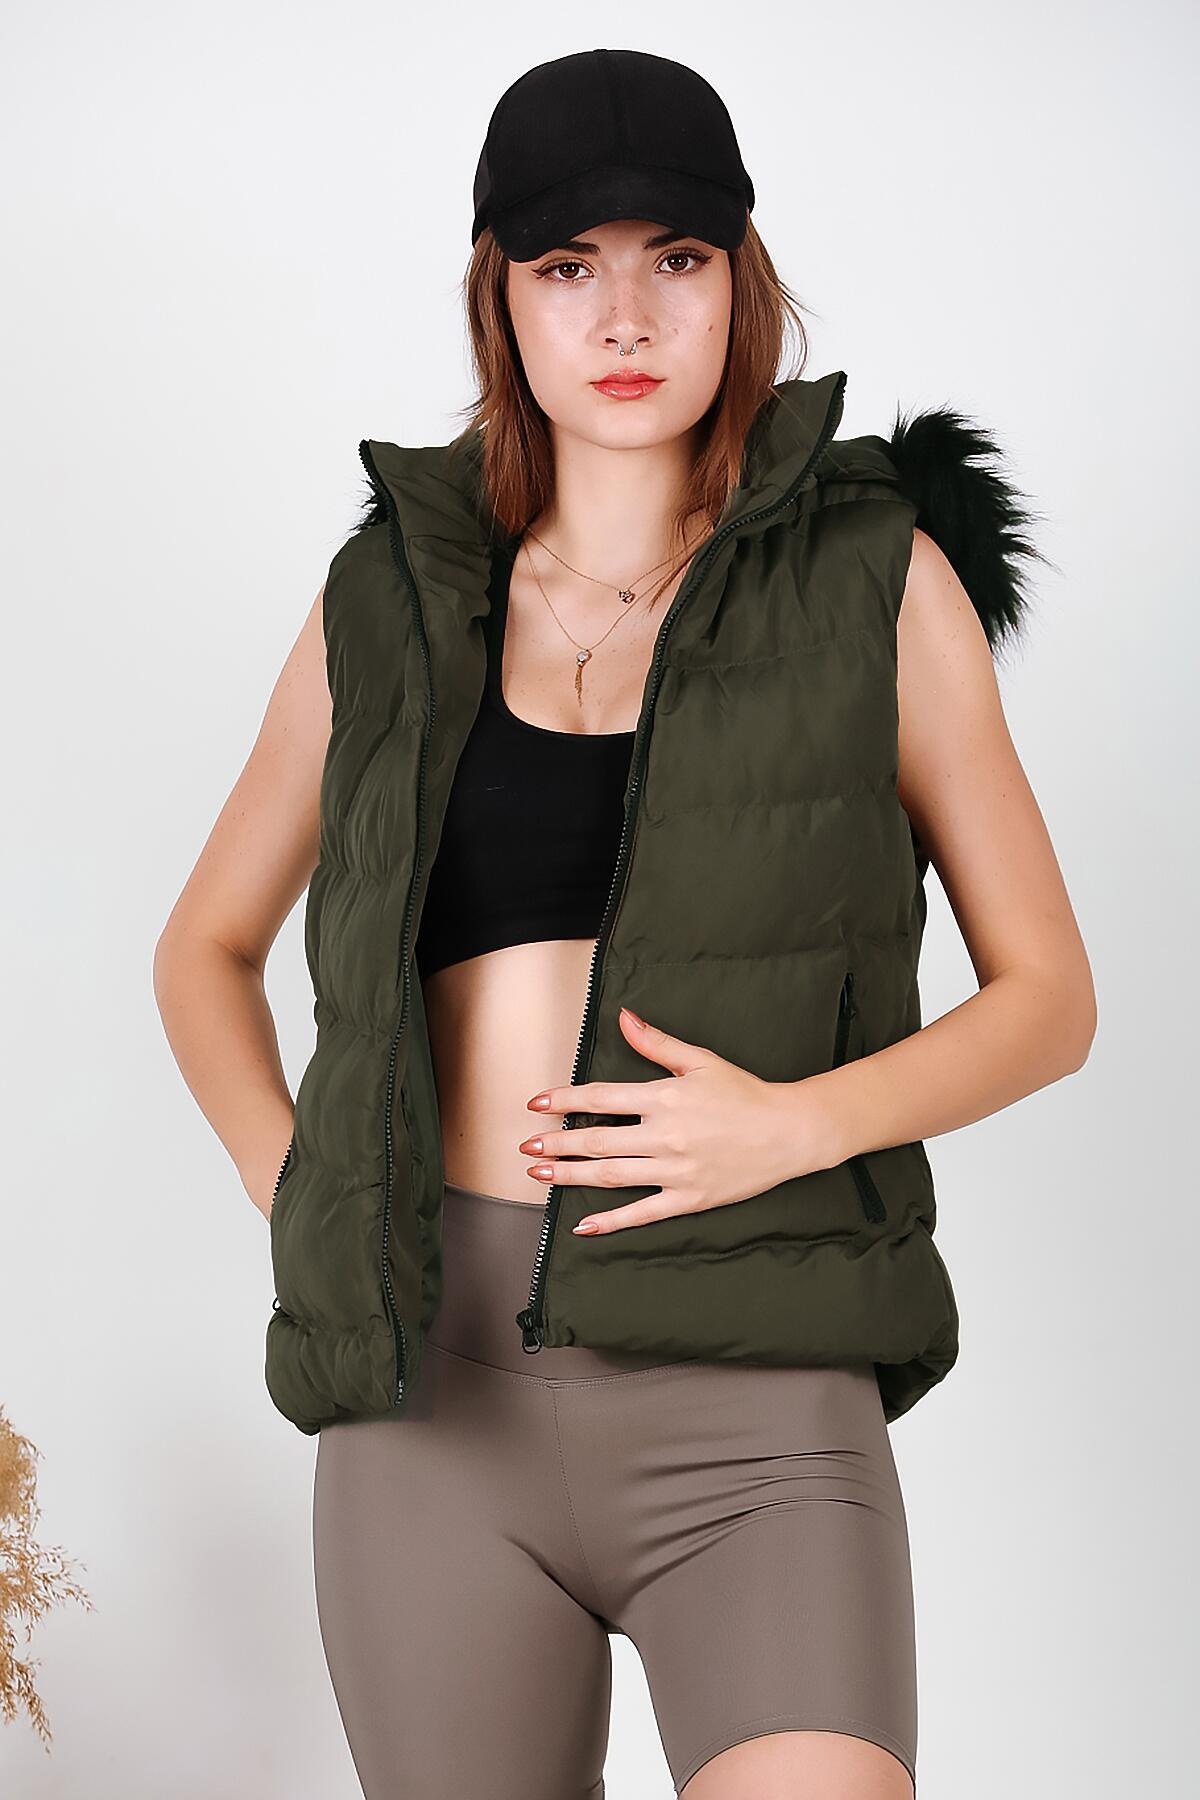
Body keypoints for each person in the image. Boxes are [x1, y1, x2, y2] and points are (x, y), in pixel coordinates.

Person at [153, 47, 1096, 1800]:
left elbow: (1048, 996)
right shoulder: (389, 599)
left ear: (742, 278)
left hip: (760, 1401)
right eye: (566, 266)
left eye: (677, 256)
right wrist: (307, 1188)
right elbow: (202, 949)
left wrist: (793, 1124)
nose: (626, 315)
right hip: (432, 1409)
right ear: (500, 298)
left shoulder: (880, 579)